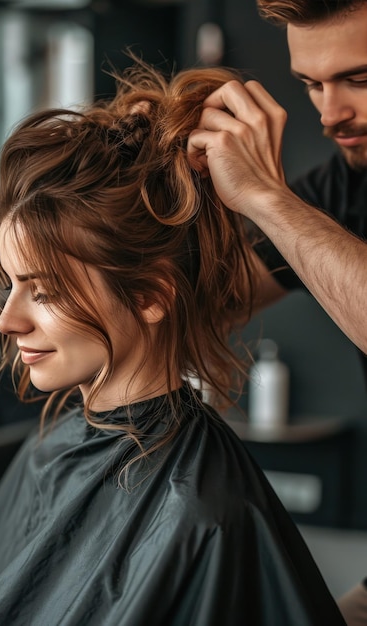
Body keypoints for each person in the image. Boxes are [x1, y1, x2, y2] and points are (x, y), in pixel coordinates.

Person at [0, 59, 346, 626]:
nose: (7, 322)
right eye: (11, 286)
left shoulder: (199, 513)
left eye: (46, 291)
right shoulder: (57, 446)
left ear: (152, 294)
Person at [187, 1, 367, 624]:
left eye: (361, 79)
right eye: (312, 85)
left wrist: (266, 196)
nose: (331, 113)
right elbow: (205, 303)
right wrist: (169, 186)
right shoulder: (341, 189)